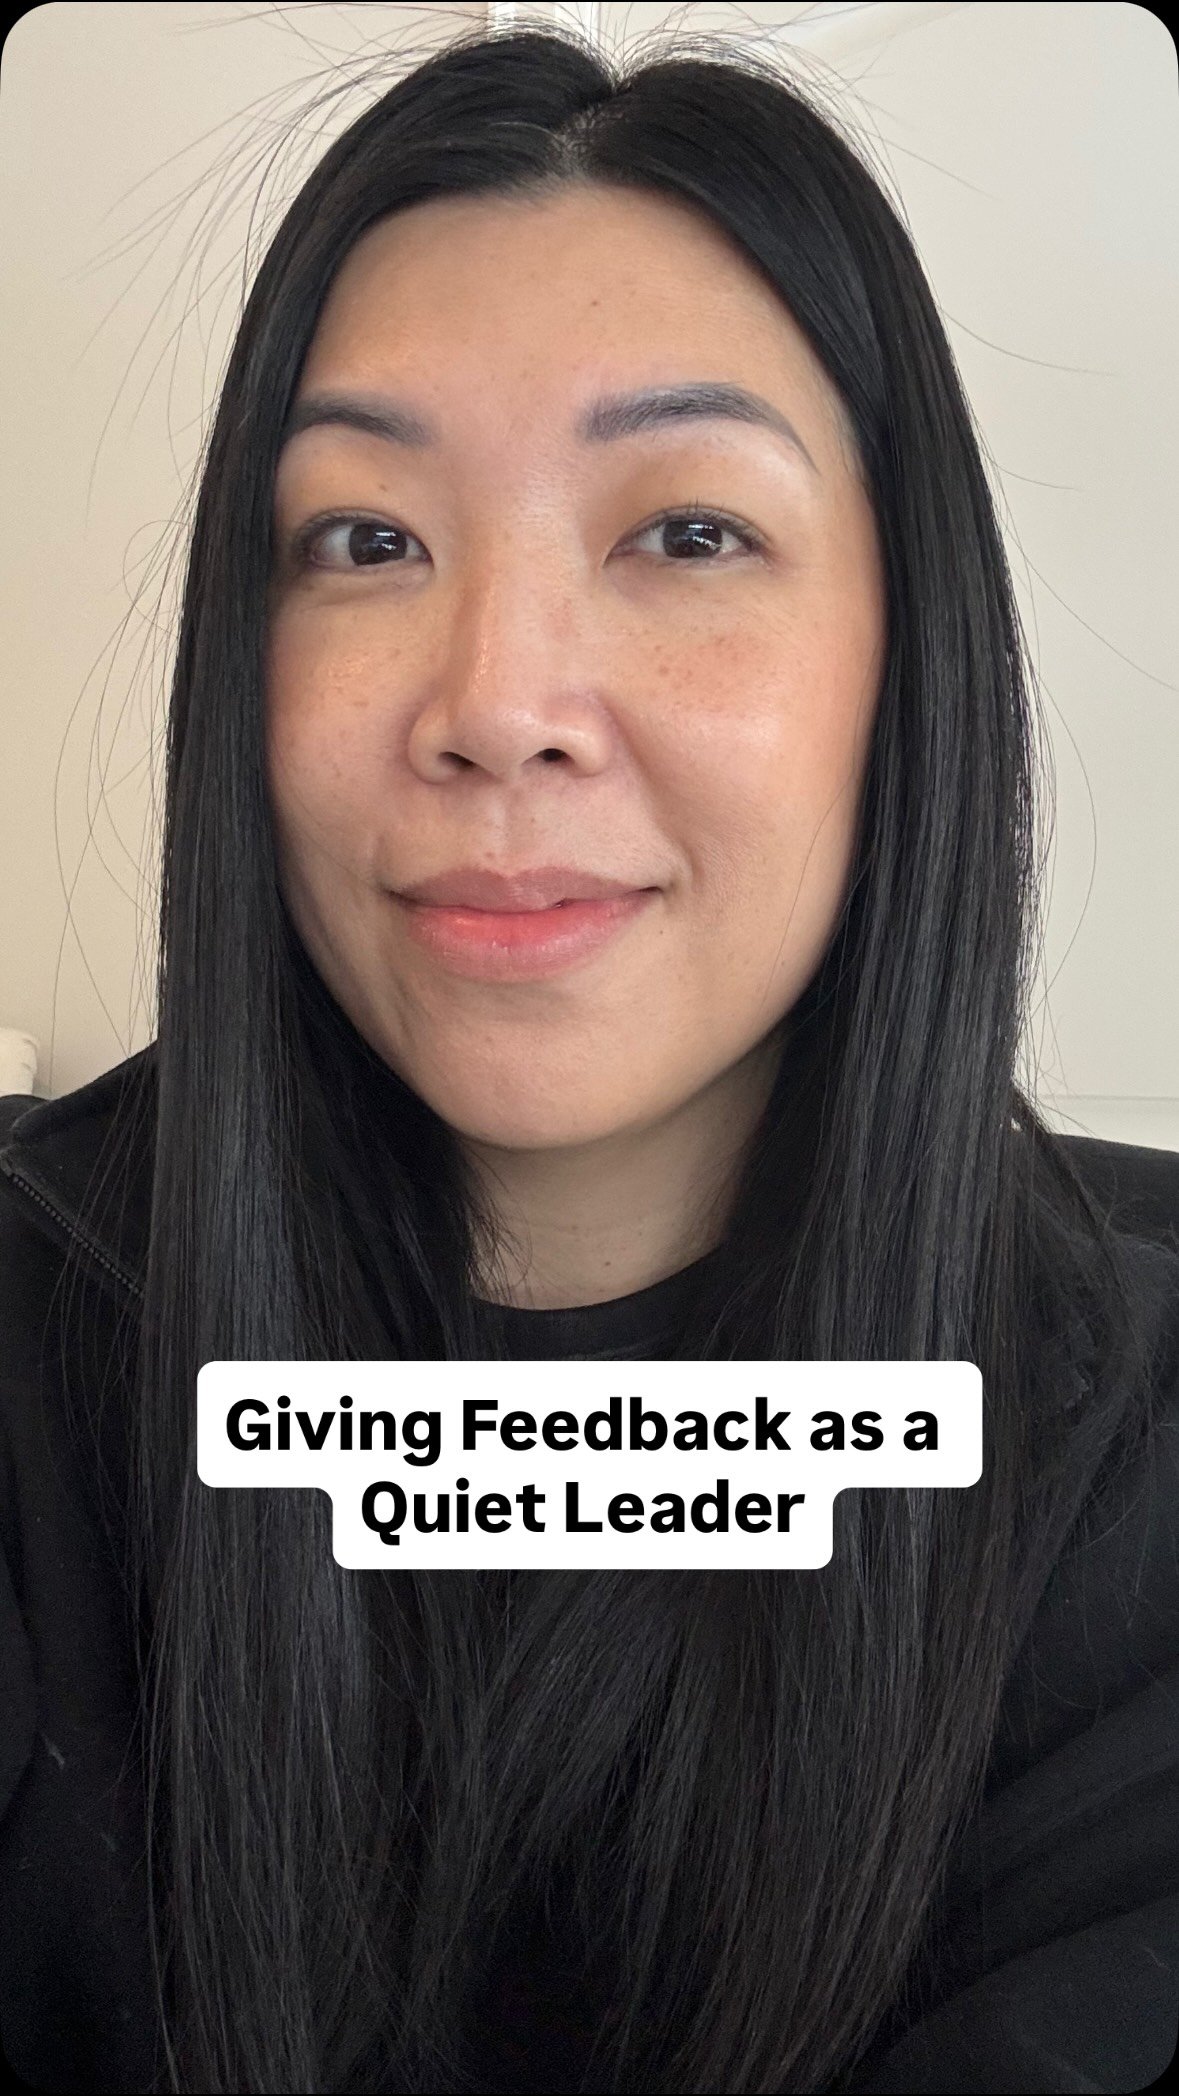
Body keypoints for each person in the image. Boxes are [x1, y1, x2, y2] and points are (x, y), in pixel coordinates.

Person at [1, 23, 1176, 2095]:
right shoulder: (32, 1343)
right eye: (366, 540)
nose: (497, 703)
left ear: (903, 655)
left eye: (687, 532)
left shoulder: (1136, 1452)